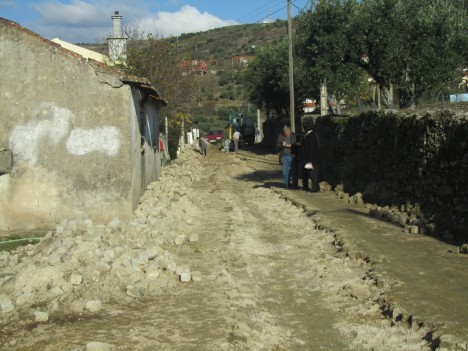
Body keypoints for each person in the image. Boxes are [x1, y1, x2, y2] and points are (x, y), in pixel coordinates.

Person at [300, 119, 320, 192]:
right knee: (306, 173)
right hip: (307, 158)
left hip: (311, 159)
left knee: (313, 174)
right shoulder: (308, 135)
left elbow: (312, 149)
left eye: (303, 126)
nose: (301, 127)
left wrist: (309, 160)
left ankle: (315, 188)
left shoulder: (312, 136)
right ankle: (308, 187)